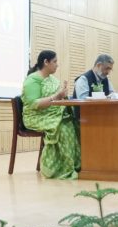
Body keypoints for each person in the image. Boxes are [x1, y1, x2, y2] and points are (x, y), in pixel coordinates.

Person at [22, 50, 80, 180]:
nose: (57, 65)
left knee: (72, 122)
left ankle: (74, 164)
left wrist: (63, 95)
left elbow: (56, 100)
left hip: (51, 113)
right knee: (62, 127)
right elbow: (34, 104)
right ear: (46, 62)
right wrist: (56, 96)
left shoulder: (52, 79)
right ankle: (58, 167)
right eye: (55, 61)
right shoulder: (32, 80)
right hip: (36, 116)